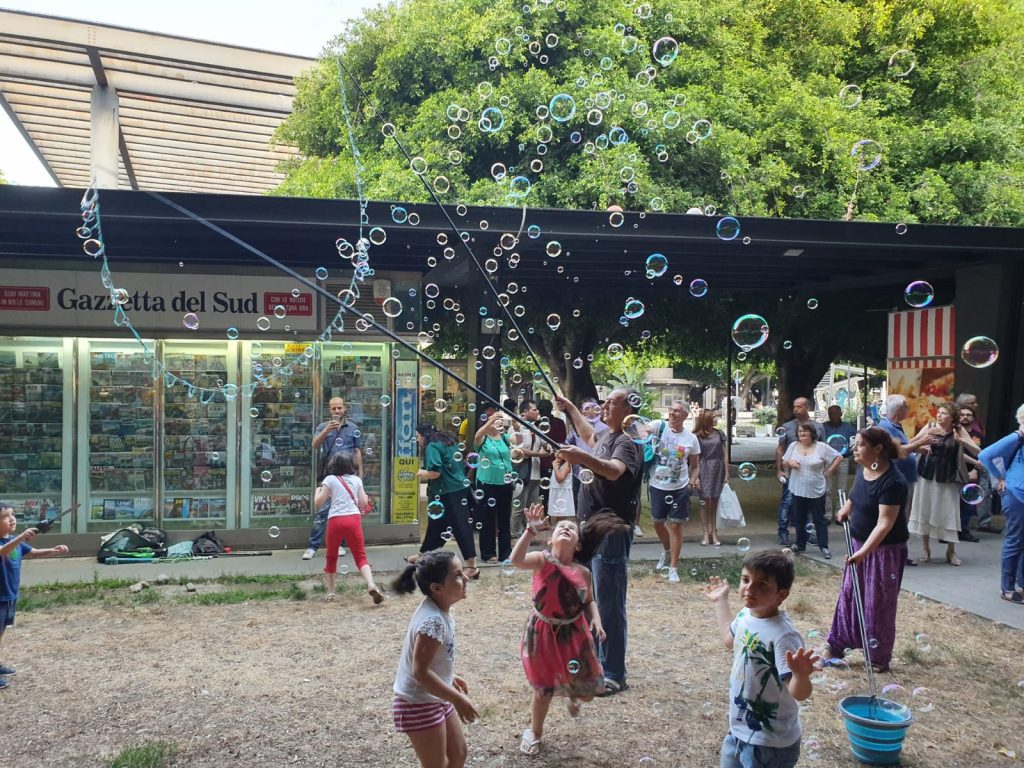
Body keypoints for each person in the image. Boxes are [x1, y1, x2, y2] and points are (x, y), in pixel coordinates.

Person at [512, 503, 629, 755]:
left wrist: (596, 619)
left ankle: (573, 695)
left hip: (573, 634)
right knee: (543, 689)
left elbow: (589, 601)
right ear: (551, 538)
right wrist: (530, 532)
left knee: (587, 693)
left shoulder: (583, 573)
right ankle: (535, 732)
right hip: (542, 632)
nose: (565, 527)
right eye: (560, 526)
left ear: (578, 544)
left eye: (571, 528)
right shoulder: (542, 560)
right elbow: (516, 560)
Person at [554, 388, 643, 696]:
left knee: (608, 600)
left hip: (611, 531)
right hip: (592, 529)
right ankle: (595, 664)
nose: (604, 405)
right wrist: (569, 408)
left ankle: (614, 672)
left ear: (629, 409)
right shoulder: (608, 437)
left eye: (611, 402)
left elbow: (614, 471)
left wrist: (582, 458)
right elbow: (589, 435)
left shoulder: (627, 443)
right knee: (589, 597)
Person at [706, 551, 817, 768]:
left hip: (771, 743)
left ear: (781, 595)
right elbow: (730, 641)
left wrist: (800, 675)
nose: (749, 588)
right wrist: (721, 601)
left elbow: (799, 693)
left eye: (762, 584)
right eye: (746, 580)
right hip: (739, 730)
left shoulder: (784, 636)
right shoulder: (745, 615)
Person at [819, 427, 910, 672]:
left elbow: (885, 524)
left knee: (877, 603)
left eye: (860, 445)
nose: (854, 449)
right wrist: (847, 506)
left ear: (878, 449)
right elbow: (857, 493)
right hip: (858, 543)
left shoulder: (894, 482)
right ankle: (834, 645)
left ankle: (878, 656)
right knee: (849, 596)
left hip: (884, 552)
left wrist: (864, 553)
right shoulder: (865, 468)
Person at [390, 550, 477, 768]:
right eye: (457, 575)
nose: (466, 577)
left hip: (435, 695)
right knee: (436, 764)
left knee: (458, 754)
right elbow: (419, 672)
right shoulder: (433, 622)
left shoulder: (440, 610)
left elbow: (427, 662)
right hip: (417, 703)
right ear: (437, 588)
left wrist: (448, 676)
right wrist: (457, 699)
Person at [0, 504, 69, 689]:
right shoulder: (7, 544)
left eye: (12, 515)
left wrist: (54, 550)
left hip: (10, 596)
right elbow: (3, 551)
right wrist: (22, 536)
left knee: (1, 632)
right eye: (5, 516)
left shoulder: (16, 541)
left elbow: (32, 552)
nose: (11, 518)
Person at [908, 403, 979, 566]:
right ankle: (926, 549)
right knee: (924, 509)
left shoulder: (958, 430)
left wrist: (961, 441)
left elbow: (977, 451)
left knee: (948, 512)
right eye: (938, 412)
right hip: (926, 474)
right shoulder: (931, 426)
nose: (939, 416)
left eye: (944, 413)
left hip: (948, 477)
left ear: (952, 417)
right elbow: (910, 444)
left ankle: (951, 551)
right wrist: (923, 441)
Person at [311, 453, 383, 604]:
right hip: (353, 519)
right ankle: (371, 584)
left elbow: (318, 503)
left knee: (331, 557)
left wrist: (317, 491)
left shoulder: (329, 480)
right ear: (351, 465)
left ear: (333, 465)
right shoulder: (356, 480)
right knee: (361, 556)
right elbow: (363, 503)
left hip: (335, 520)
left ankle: (331, 593)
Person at [411, 425, 479, 579]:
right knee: (437, 526)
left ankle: (472, 566)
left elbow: (435, 472)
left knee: (460, 527)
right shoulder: (447, 441)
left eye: (417, 436)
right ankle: (424, 556)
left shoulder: (432, 446)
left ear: (424, 435)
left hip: (449, 491)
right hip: (454, 489)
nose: (417, 440)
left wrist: (421, 473)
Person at [647, 402, 701, 584]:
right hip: (657, 485)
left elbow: (695, 467)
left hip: (680, 488)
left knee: (676, 526)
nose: (672, 413)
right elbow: (639, 431)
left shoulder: (691, 439)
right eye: (671, 409)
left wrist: (693, 481)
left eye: (677, 411)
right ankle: (667, 551)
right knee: (657, 523)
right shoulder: (658, 426)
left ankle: (673, 568)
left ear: (685, 415)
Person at [304, 397, 361, 560]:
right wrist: (326, 431)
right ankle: (312, 546)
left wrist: (360, 475)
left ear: (345, 409)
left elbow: (357, 452)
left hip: (349, 476)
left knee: (343, 511)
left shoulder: (353, 428)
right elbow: (314, 444)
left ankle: (339, 545)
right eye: (333, 408)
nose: (337, 411)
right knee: (322, 512)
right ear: (329, 410)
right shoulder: (323, 426)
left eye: (339, 408)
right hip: (329, 475)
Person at [978, 404, 1024, 604]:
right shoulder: (1017, 437)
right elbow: (985, 455)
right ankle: (1007, 588)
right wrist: (999, 479)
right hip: (1016, 494)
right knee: (1015, 540)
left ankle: (1021, 584)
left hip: (1018, 492)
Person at [782, 423, 843, 559]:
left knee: (819, 519)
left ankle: (824, 547)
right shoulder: (793, 446)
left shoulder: (821, 447)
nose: (802, 434)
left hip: (816, 489)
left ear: (812, 433)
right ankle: (800, 544)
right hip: (797, 488)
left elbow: (839, 456)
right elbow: (784, 461)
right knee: (799, 519)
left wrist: (830, 470)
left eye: (805, 431)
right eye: (799, 431)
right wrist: (790, 462)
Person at [775, 398, 825, 546]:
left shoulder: (818, 427)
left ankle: (807, 533)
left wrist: (824, 470)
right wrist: (779, 470)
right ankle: (783, 533)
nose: (796, 410)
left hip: (811, 473)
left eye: (799, 407)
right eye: (794, 407)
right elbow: (780, 449)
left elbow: (823, 448)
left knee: (810, 502)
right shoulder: (787, 427)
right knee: (787, 502)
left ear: (807, 407)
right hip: (791, 473)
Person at [472, 409, 515, 563]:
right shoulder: (483, 439)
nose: (498, 421)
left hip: (505, 482)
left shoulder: (504, 437)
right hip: (487, 483)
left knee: (504, 518)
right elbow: (477, 436)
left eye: (499, 419)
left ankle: (505, 552)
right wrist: (490, 421)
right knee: (488, 519)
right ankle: (488, 553)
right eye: (494, 419)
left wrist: (516, 422)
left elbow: (518, 439)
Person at [512, 401, 552, 536]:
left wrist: (548, 447)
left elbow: (544, 442)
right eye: (534, 410)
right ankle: (515, 534)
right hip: (521, 472)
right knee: (519, 507)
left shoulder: (536, 428)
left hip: (535, 473)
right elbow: (518, 450)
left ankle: (528, 534)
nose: (537, 413)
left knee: (532, 507)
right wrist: (539, 454)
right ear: (526, 412)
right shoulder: (516, 428)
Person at [959, 403, 999, 534]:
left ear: (974, 418)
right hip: (958, 469)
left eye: (968, 415)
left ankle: (979, 523)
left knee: (978, 494)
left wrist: (976, 469)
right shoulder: (955, 433)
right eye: (962, 414)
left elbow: (983, 454)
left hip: (976, 469)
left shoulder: (978, 435)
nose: (965, 417)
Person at [693, 410, 729, 548]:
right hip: (703, 468)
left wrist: (726, 473)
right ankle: (704, 534)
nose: (716, 419)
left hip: (717, 467)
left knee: (714, 501)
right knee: (704, 502)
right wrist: (696, 478)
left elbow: (725, 454)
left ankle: (714, 532)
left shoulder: (720, 434)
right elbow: (694, 458)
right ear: (706, 420)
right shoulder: (697, 436)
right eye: (713, 417)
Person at [565, 398, 609, 499]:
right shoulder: (576, 429)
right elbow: (567, 442)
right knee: (578, 503)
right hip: (578, 472)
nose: (587, 411)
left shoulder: (605, 429)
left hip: (597, 472)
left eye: (590, 408)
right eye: (585, 408)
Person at [822, 406, 857, 523]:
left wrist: (853, 452)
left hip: (843, 459)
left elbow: (855, 441)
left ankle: (839, 514)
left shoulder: (849, 428)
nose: (833, 416)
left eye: (836, 413)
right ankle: (827, 515)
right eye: (830, 413)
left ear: (841, 413)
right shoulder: (823, 427)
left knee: (841, 489)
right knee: (826, 489)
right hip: (827, 461)